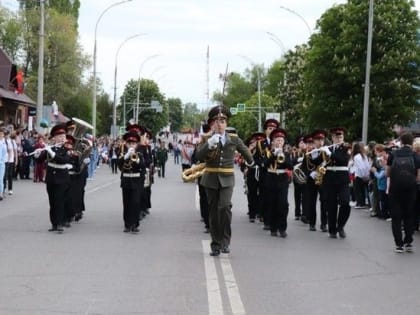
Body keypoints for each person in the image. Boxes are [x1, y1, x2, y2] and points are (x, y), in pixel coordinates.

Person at [195, 105, 254, 256]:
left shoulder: (233, 138)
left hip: (227, 179)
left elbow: (245, 151)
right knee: (213, 212)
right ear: (212, 124)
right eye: (217, 121)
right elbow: (198, 156)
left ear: (226, 124)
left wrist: (251, 162)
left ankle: (225, 242)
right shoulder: (207, 139)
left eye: (222, 121)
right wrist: (209, 144)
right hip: (210, 179)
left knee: (225, 207)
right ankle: (215, 244)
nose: (219, 124)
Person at [386, 132, 420, 253]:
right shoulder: (415, 156)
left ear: (401, 141)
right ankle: (408, 242)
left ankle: (398, 244)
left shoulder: (393, 154)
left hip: (395, 189)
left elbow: (387, 173)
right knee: (409, 215)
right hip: (410, 190)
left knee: (396, 217)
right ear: (411, 143)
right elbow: (418, 177)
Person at [35, 124, 71, 233]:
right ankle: (54, 223)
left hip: (62, 177)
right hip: (51, 178)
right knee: (52, 202)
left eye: (63, 136)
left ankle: (60, 223)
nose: (62, 138)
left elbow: (63, 160)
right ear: (54, 138)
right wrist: (37, 154)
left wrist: (52, 153)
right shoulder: (50, 147)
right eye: (59, 136)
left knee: (59, 201)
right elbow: (40, 160)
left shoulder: (67, 148)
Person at [263, 128, 293, 237]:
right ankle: (273, 228)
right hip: (271, 179)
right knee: (272, 204)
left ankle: (282, 228)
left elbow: (290, 166)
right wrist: (273, 155)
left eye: (281, 140)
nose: (279, 142)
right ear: (273, 142)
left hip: (283, 180)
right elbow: (265, 165)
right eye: (277, 140)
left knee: (283, 204)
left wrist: (283, 157)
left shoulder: (286, 153)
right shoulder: (268, 153)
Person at [322, 127, 351, 239]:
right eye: (336, 136)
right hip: (329, 178)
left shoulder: (346, 147)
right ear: (332, 138)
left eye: (340, 137)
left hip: (342, 179)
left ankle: (341, 226)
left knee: (345, 202)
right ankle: (332, 230)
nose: (338, 138)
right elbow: (320, 162)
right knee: (331, 205)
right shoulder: (328, 148)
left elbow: (343, 160)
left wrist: (329, 153)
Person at [118, 131, 146, 233]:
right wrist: (126, 157)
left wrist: (137, 159)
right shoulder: (123, 154)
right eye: (129, 143)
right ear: (126, 144)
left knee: (136, 203)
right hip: (126, 181)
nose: (131, 145)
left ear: (137, 144)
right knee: (127, 203)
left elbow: (142, 166)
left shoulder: (139, 154)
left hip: (136, 181)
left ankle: (135, 224)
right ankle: (127, 224)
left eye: (133, 143)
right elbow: (119, 166)